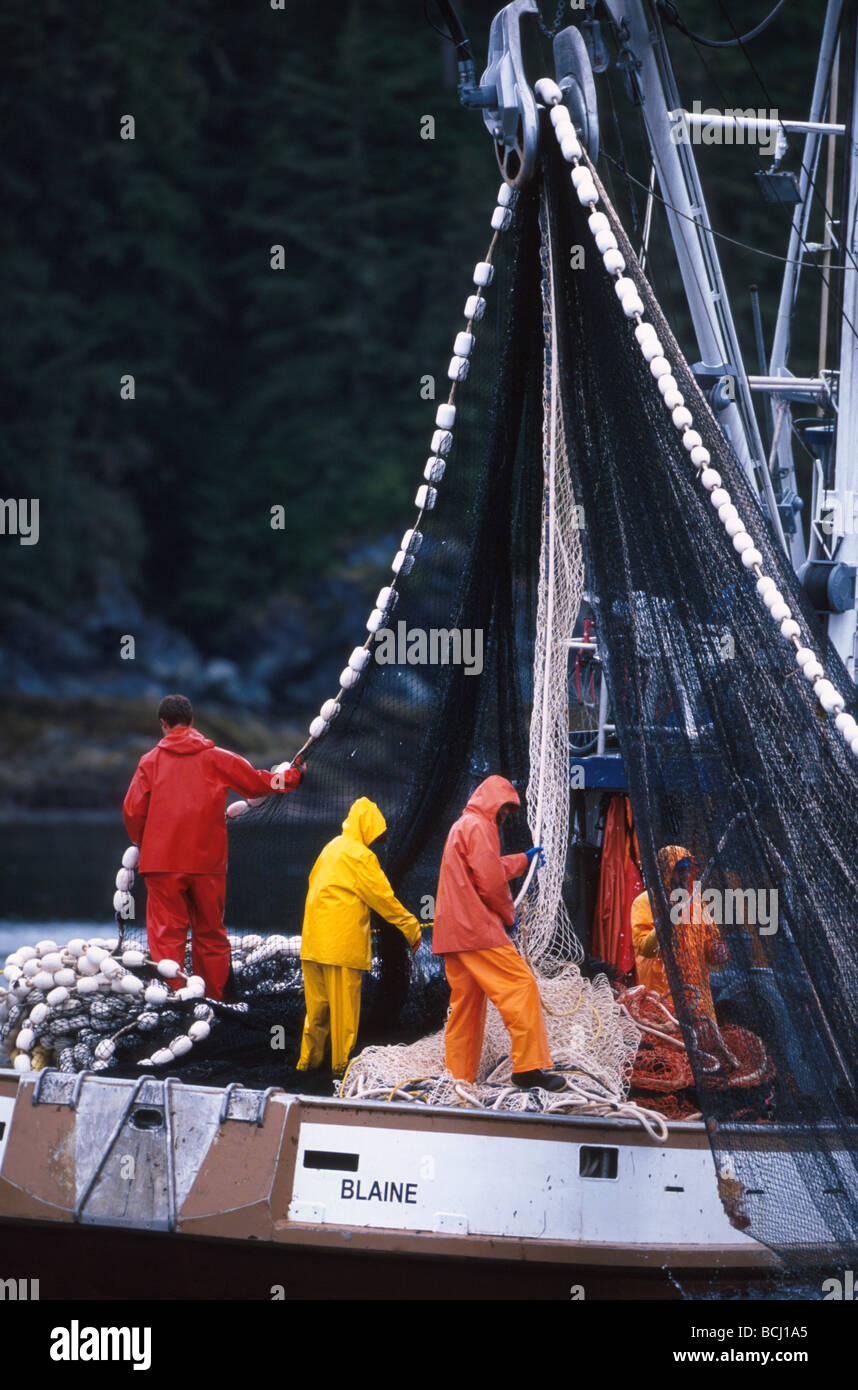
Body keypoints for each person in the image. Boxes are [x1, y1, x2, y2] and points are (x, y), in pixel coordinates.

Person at [123, 694, 304, 1000]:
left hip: (162, 865)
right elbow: (260, 783)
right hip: (207, 864)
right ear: (191, 721)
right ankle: (215, 1002)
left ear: (163, 724)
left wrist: (144, 842)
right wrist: (294, 775)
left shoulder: (149, 762)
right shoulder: (217, 758)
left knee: (167, 935)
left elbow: (132, 810)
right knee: (210, 933)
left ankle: (175, 999)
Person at [433, 775, 565, 1091]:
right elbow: (490, 884)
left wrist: (522, 860)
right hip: (476, 931)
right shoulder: (480, 827)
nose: (505, 816)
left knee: (467, 1006)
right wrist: (509, 915)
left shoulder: (463, 826)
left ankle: (458, 1079)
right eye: (504, 810)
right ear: (493, 804)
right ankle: (529, 1067)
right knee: (521, 987)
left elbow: (486, 868)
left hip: (453, 935)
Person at [297, 797, 421, 1077]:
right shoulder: (361, 856)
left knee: (316, 1013)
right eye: (376, 833)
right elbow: (384, 900)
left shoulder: (330, 848)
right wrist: (411, 929)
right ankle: (340, 1072)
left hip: (313, 945)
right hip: (342, 947)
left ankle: (307, 1065)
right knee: (344, 1018)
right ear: (368, 827)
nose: (378, 840)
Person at [631, 844, 735, 1073]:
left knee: (700, 1061)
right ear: (666, 870)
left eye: (690, 869)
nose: (687, 875)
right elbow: (644, 949)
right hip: (662, 1002)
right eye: (681, 869)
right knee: (664, 1062)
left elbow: (711, 944)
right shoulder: (645, 902)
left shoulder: (698, 904)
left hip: (698, 1002)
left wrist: (719, 952)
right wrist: (666, 920)